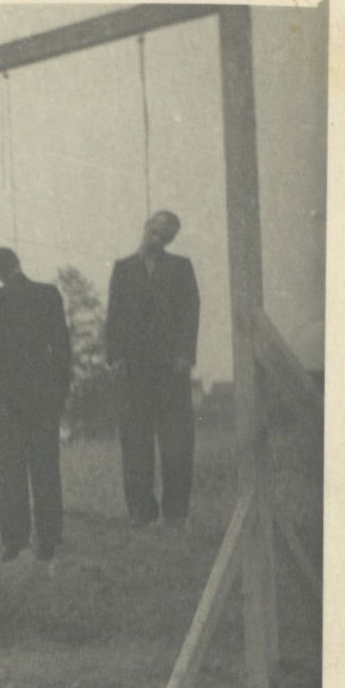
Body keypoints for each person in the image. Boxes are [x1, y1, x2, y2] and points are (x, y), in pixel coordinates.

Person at [105, 209, 200, 527]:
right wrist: (115, 356)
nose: (157, 240)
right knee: (135, 443)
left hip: (171, 370)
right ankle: (141, 514)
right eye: (155, 231)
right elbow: (114, 315)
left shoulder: (180, 267)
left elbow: (190, 312)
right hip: (133, 371)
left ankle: (176, 515)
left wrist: (185, 353)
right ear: (145, 227)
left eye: (165, 236)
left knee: (177, 444)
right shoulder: (122, 269)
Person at [0, 247, 72, 562]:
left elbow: (60, 346)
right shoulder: (5, 300)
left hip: (24, 397)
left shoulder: (15, 299)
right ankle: (31, 540)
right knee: (27, 471)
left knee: (26, 471)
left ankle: (31, 541)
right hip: (25, 398)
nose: (1, 273)